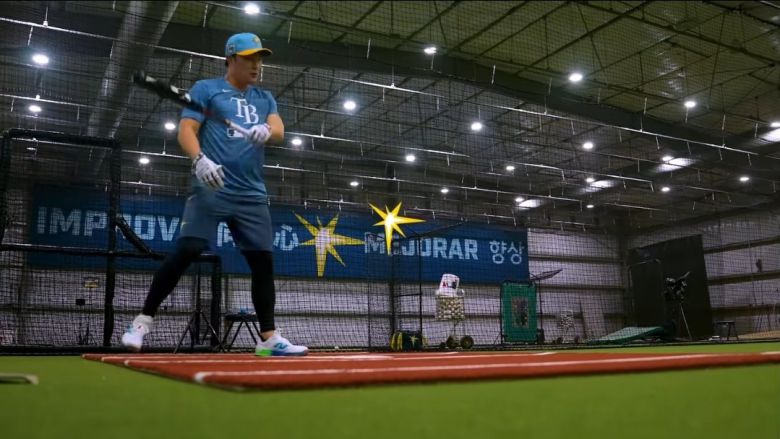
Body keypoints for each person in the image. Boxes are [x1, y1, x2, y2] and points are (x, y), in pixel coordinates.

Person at [121, 33, 308, 356]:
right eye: (249, 58)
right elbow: (186, 130)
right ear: (230, 59)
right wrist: (199, 160)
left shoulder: (264, 98)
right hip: (212, 185)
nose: (256, 65)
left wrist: (266, 130)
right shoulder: (206, 89)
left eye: (259, 58)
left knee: (263, 261)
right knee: (189, 248)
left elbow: (279, 130)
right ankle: (141, 322)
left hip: (251, 192)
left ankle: (268, 338)